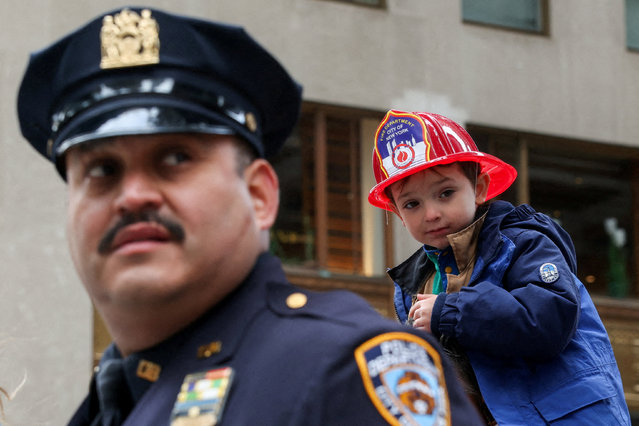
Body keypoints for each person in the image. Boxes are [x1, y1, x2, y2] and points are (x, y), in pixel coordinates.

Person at [17, 8, 484, 425]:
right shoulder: (114, 400)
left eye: (175, 158)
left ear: (259, 195)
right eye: (101, 171)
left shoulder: (343, 370)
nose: (133, 195)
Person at [368, 109, 631, 425]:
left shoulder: (524, 244)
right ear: (397, 213)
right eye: (412, 204)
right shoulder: (418, 282)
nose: (432, 213)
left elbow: (549, 320)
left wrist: (450, 312)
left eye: (446, 193)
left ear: (479, 188)